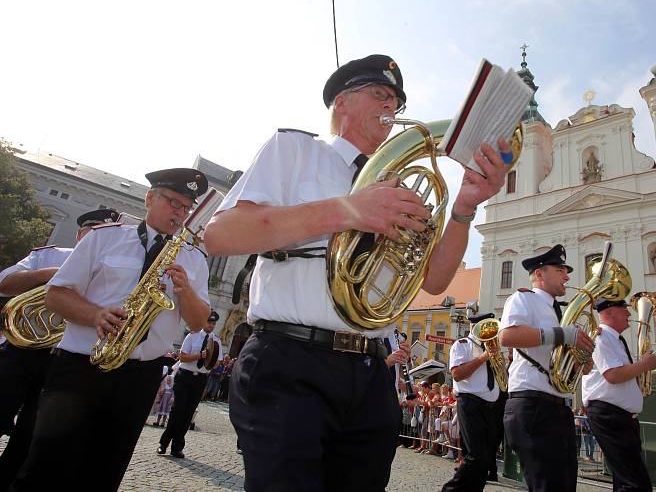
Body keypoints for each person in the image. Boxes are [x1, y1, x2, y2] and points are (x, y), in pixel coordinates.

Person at [204, 53, 511, 491]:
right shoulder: (296, 150)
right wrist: (349, 210)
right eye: (380, 95)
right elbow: (222, 234)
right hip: (290, 361)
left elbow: (435, 280)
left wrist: (464, 207)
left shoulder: (402, 187)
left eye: (397, 101)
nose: (391, 108)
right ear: (342, 103)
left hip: (369, 374)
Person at [10, 169, 211, 491]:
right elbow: (56, 294)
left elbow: (200, 322)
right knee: (46, 467)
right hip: (80, 368)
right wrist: (95, 315)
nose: (179, 213)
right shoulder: (104, 237)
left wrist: (185, 290)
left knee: (105, 470)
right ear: (150, 198)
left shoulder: (193, 259)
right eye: (174, 202)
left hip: (139, 376)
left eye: (186, 208)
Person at [0, 208, 119, 490]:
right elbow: (4, 283)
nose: (100, 238)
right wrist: (53, 275)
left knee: (31, 437)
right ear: (80, 234)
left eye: (108, 233)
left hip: (62, 362)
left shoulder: (110, 274)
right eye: (95, 230)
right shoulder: (51, 255)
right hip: (20, 350)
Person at [498, 244, 595, 492]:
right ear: (540, 274)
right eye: (560, 269)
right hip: (533, 406)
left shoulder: (561, 313)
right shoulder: (523, 299)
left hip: (559, 409)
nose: (567, 276)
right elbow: (507, 337)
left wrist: (583, 357)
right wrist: (561, 334)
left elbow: (578, 370)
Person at [582, 298, 656, 492]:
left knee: (626, 481)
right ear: (609, 313)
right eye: (623, 310)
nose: (629, 314)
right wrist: (645, 365)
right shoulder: (601, 338)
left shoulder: (614, 339)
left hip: (620, 417)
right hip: (610, 415)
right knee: (635, 483)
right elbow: (613, 375)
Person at [441, 312, 500, 492]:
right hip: (470, 402)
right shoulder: (462, 345)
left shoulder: (490, 347)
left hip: (490, 406)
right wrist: (483, 358)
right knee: (476, 455)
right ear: (475, 327)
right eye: (486, 327)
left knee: (486, 458)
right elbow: (457, 374)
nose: (490, 331)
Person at [158, 311, 222, 458]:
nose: (211, 326)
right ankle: (164, 443)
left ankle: (177, 447)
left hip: (200, 379)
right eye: (209, 323)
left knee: (188, 414)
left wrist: (212, 360)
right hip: (185, 376)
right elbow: (182, 357)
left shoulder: (216, 341)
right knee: (177, 410)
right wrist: (200, 355)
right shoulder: (191, 336)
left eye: (213, 324)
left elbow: (216, 363)